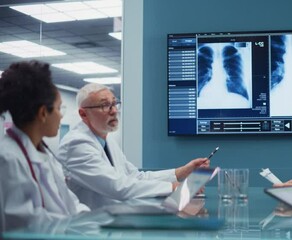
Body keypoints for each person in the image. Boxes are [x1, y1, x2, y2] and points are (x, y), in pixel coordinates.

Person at [57, 83, 210, 209]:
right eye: (105, 105)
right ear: (83, 114)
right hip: (87, 228)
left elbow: (135, 177)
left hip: (110, 222)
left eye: (114, 103)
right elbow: (118, 187)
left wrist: (182, 172)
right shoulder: (76, 144)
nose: (114, 111)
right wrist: (173, 187)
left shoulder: (106, 140)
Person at [0, 61, 89, 231]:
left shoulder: (44, 154)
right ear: (43, 113)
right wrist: (73, 225)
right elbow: (23, 223)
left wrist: (95, 220)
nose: (61, 116)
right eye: (58, 108)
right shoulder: (8, 158)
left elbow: (69, 204)